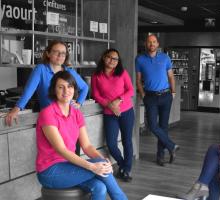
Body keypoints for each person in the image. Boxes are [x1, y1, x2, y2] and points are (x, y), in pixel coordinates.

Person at [36, 71, 128, 200]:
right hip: (50, 171)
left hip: (69, 166)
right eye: (60, 87)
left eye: (70, 86)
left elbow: (87, 146)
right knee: (99, 166)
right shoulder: (48, 114)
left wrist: (103, 161)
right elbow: (61, 150)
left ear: (74, 89)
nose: (66, 91)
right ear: (53, 90)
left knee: (100, 187)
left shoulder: (76, 114)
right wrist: (92, 166)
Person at [5, 40, 88, 126]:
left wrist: (79, 103)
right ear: (48, 53)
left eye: (63, 53)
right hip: (50, 119)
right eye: (56, 52)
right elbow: (28, 91)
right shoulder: (40, 69)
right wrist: (17, 108)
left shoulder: (69, 71)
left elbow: (85, 87)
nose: (60, 55)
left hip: (70, 117)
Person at [135, 34, 179, 167]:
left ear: (158, 44)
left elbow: (171, 76)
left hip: (166, 96)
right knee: (152, 125)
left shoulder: (165, 58)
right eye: (149, 42)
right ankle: (171, 146)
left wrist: (173, 92)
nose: (151, 44)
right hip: (150, 97)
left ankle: (161, 157)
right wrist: (143, 94)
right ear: (146, 44)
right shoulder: (140, 59)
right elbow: (138, 80)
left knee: (163, 127)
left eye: (154, 42)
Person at [91, 49, 135, 182]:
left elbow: (130, 90)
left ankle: (126, 170)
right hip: (110, 113)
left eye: (115, 59)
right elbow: (96, 95)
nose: (112, 61)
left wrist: (118, 100)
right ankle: (123, 165)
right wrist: (109, 105)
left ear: (118, 61)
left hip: (126, 111)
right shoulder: (96, 75)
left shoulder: (122, 73)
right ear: (104, 58)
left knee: (127, 141)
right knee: (111, 143)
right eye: (109, 57)